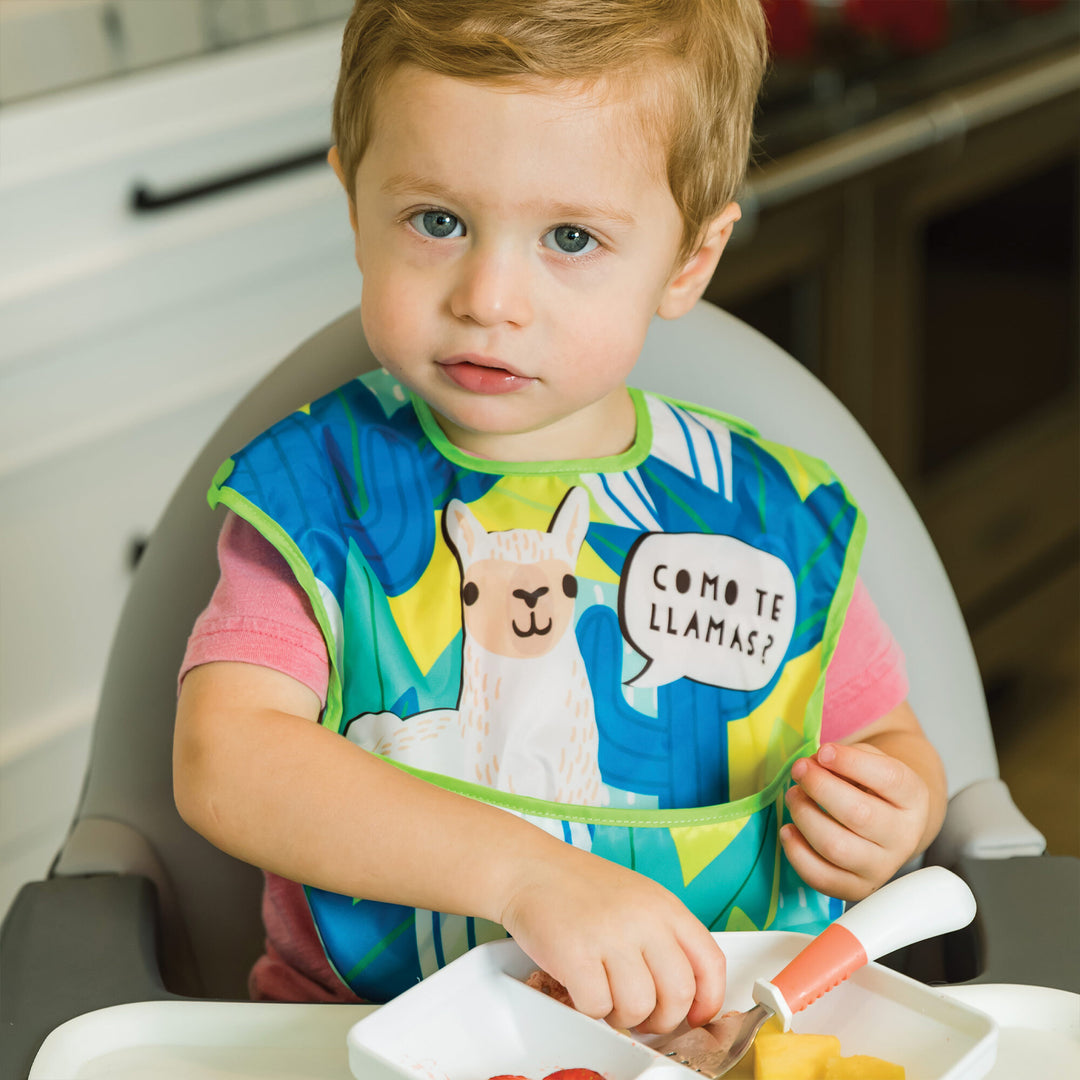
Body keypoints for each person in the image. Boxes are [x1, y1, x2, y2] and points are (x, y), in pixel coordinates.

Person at [174, 0, 947, 1036]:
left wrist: (891, 811)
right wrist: (525, 875)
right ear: (355, 202)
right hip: (370, 1040)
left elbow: (884, 737)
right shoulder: (319, 497)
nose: (490, 297)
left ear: (690, 259)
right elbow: (226, 762)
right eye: (437, 220)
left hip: (720, 1044)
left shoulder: (763, 517)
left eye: (571, 237)